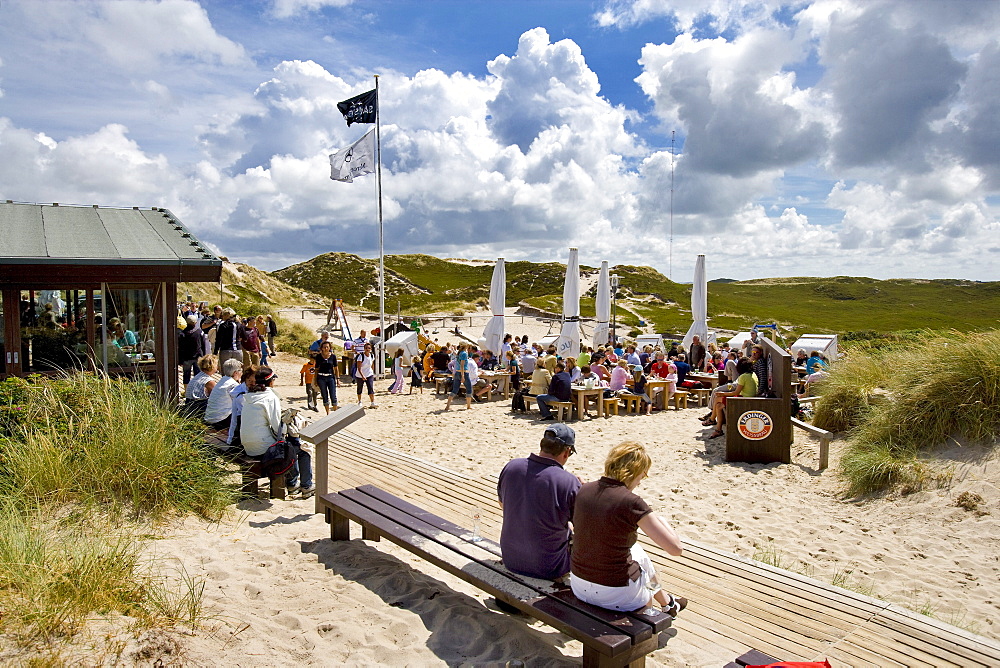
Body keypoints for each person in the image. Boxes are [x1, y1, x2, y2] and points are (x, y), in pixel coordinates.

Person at [570, 442, 686, 616]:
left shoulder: (585, 489)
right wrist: (664, 523)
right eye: (642, 475)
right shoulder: (631, 502)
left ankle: (667, 602)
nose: (641, 481)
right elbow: (676, 549)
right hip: (616, 594)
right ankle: (655, 610)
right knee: (644, 568)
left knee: (638, 554)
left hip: (579, 585)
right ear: (634, 472)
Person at [498, 423, 581, 580]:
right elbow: (583, 527)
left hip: (511, 558)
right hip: (549, 566)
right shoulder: (569, 482)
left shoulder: (512, 467)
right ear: (567, 452)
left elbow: (503, 504)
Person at [705, 358, 757, 438]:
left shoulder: (743, 376)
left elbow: (736, 392)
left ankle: (712, 419)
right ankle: (717, 429)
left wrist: (723, 393)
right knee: (718, 406)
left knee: (717, 398)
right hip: (749, 398)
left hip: (743, 399)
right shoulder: (753, 374)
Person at [240, 366, 282, 457]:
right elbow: (277, 427)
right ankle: (295, 472)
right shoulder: (270, 397)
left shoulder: (249, 396)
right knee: (300, 450)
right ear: (270, 382)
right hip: (263, 446)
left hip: (247, 445)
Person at [204, 358, 242, 429]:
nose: (241, 373)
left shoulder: (222, 381)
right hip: (220, 420)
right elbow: (241, 403)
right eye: (240, 370)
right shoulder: (232, 385)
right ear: (235, 373)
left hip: (210, 418)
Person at [178, 315, 206, 386]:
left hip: (186, 357)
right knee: (198, 375)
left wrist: (180, 359)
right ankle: (197, 390)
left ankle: (186, 391)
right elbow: (203, 345)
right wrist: (204, 357)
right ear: (195, 322)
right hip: (198, 356)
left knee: (186, 375)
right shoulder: (199, 332)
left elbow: (180, 348)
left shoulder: (182, 333)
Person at [314, 341, 340, 413]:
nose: (325, 348)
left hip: (330, 377)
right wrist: (315, 380)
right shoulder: (319, 357)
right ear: (321, 348)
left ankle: (335, 413)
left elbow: (336, 368)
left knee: (333, 395)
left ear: (329, 348)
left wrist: (338, 379)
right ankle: (327, 413)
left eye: (327, 347)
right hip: (321, 377)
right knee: (324, 395)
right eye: (324, 347)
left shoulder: (333, 356)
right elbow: (316, 369)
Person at [445, 343, 473, 411]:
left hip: (457, 372)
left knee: (455, 390)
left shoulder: (459, 353)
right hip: (463, 372)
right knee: (469, 389)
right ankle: (468, 406)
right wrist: (463, 376)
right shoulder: (464, 354)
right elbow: (462, 365)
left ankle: (448, 405)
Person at [353, 341, 377, 408]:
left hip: (369, 374)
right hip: (360, 375)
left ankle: (372, 402)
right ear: (364, 349)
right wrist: (362, 375)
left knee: (370, 388)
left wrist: (372, 371)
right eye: (366, 348)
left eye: (369, 348)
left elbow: (372, 364)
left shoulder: (372, 355)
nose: (367, 349)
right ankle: (360, 401)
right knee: (360, 388)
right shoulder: (361, 356)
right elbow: (359, 367)